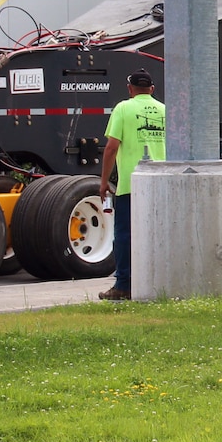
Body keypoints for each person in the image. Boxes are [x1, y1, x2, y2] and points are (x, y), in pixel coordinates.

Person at [97, 68, 165, 300]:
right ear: (152, 89)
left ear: (130, 89)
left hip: (131, 185)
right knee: (158, 234)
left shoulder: (123, 108)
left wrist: (104, 181)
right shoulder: (165, 110)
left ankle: (124, 285)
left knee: (125, 235)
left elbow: (111, 147)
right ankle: (158, 282)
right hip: (161, 184)